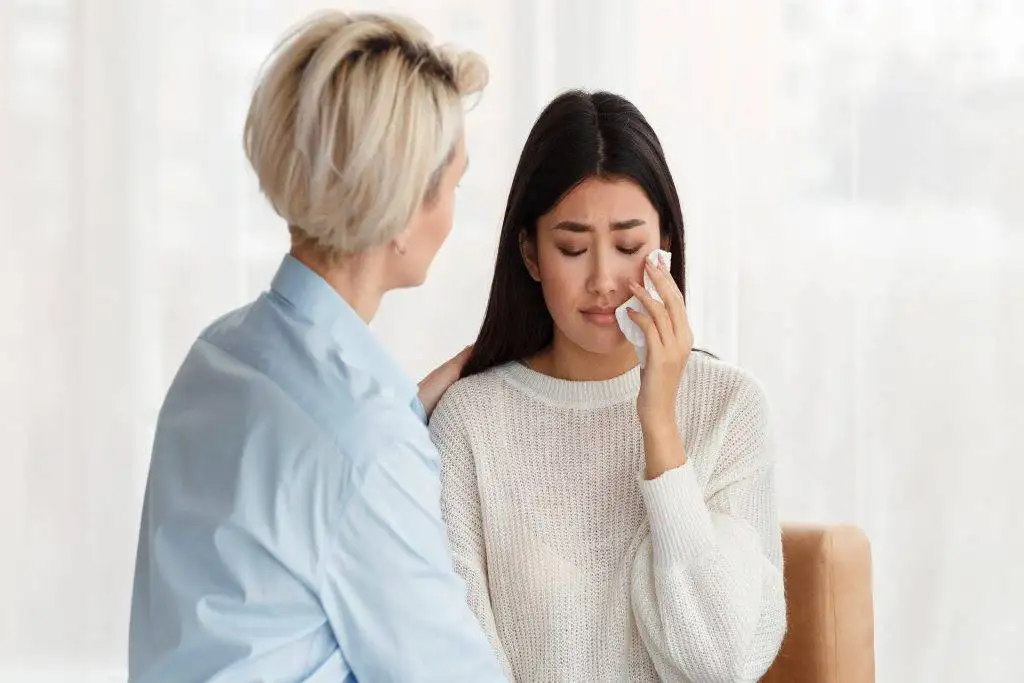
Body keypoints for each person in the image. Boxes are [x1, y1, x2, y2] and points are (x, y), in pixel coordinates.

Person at [128, 11, 506, 682]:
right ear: (398, 212)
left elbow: (265, 578)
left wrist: (402, 416)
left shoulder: (214, 359)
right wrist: (390, 437)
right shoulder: (366, 444)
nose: (454, 210)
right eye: (453, 186)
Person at [430, 90, 787, 682]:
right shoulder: (470, 422)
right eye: (572, 248)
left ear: (666, 245)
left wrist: (660, 425)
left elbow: (721, 661)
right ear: (531, 253)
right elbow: (458, 661)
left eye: (627, 246)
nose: (602, 280)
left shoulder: (730, 407)